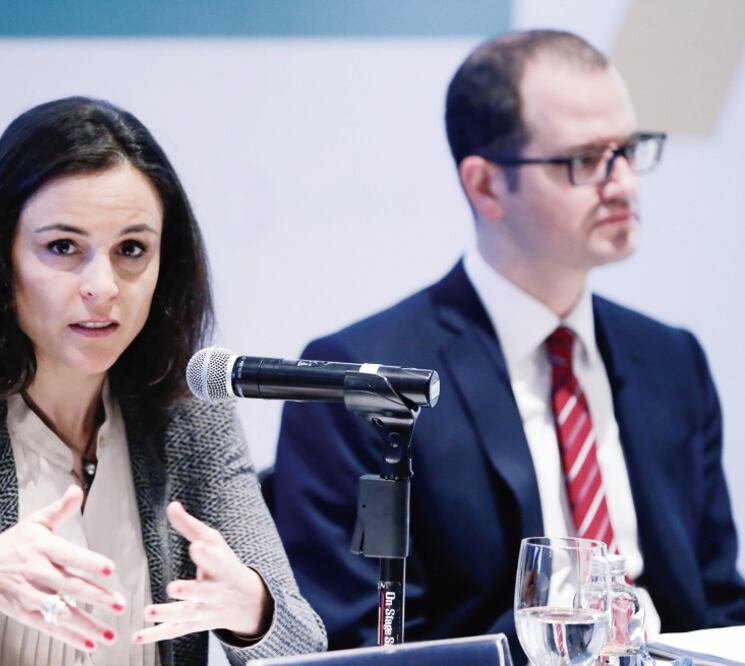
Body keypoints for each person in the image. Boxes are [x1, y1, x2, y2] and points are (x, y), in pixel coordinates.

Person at [273, 29, 745, 660]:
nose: (625, 184)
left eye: (629, 150)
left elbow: (718, 603)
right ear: (486, 186)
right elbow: (357, 644)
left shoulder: (671, 360)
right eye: (585, 160)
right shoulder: (364, 378)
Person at [0, 96, 326, 666]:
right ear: (0, 256)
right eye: (63, 247)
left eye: (131, 250)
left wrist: (255, 613)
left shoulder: (190, 413)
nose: (103, 286)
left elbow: (305, 646)